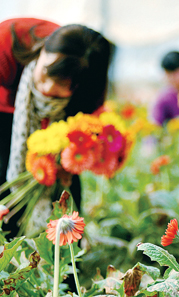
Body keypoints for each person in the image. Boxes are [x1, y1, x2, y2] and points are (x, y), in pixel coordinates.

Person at [0, 18, 114, 239]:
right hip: (4, 108)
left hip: (58, 126)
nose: (48, 88)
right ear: (42, 49)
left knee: (64, 187)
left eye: (63, 84)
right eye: (46, 73)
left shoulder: (90, 87)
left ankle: (64, 261)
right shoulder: (7, 42)